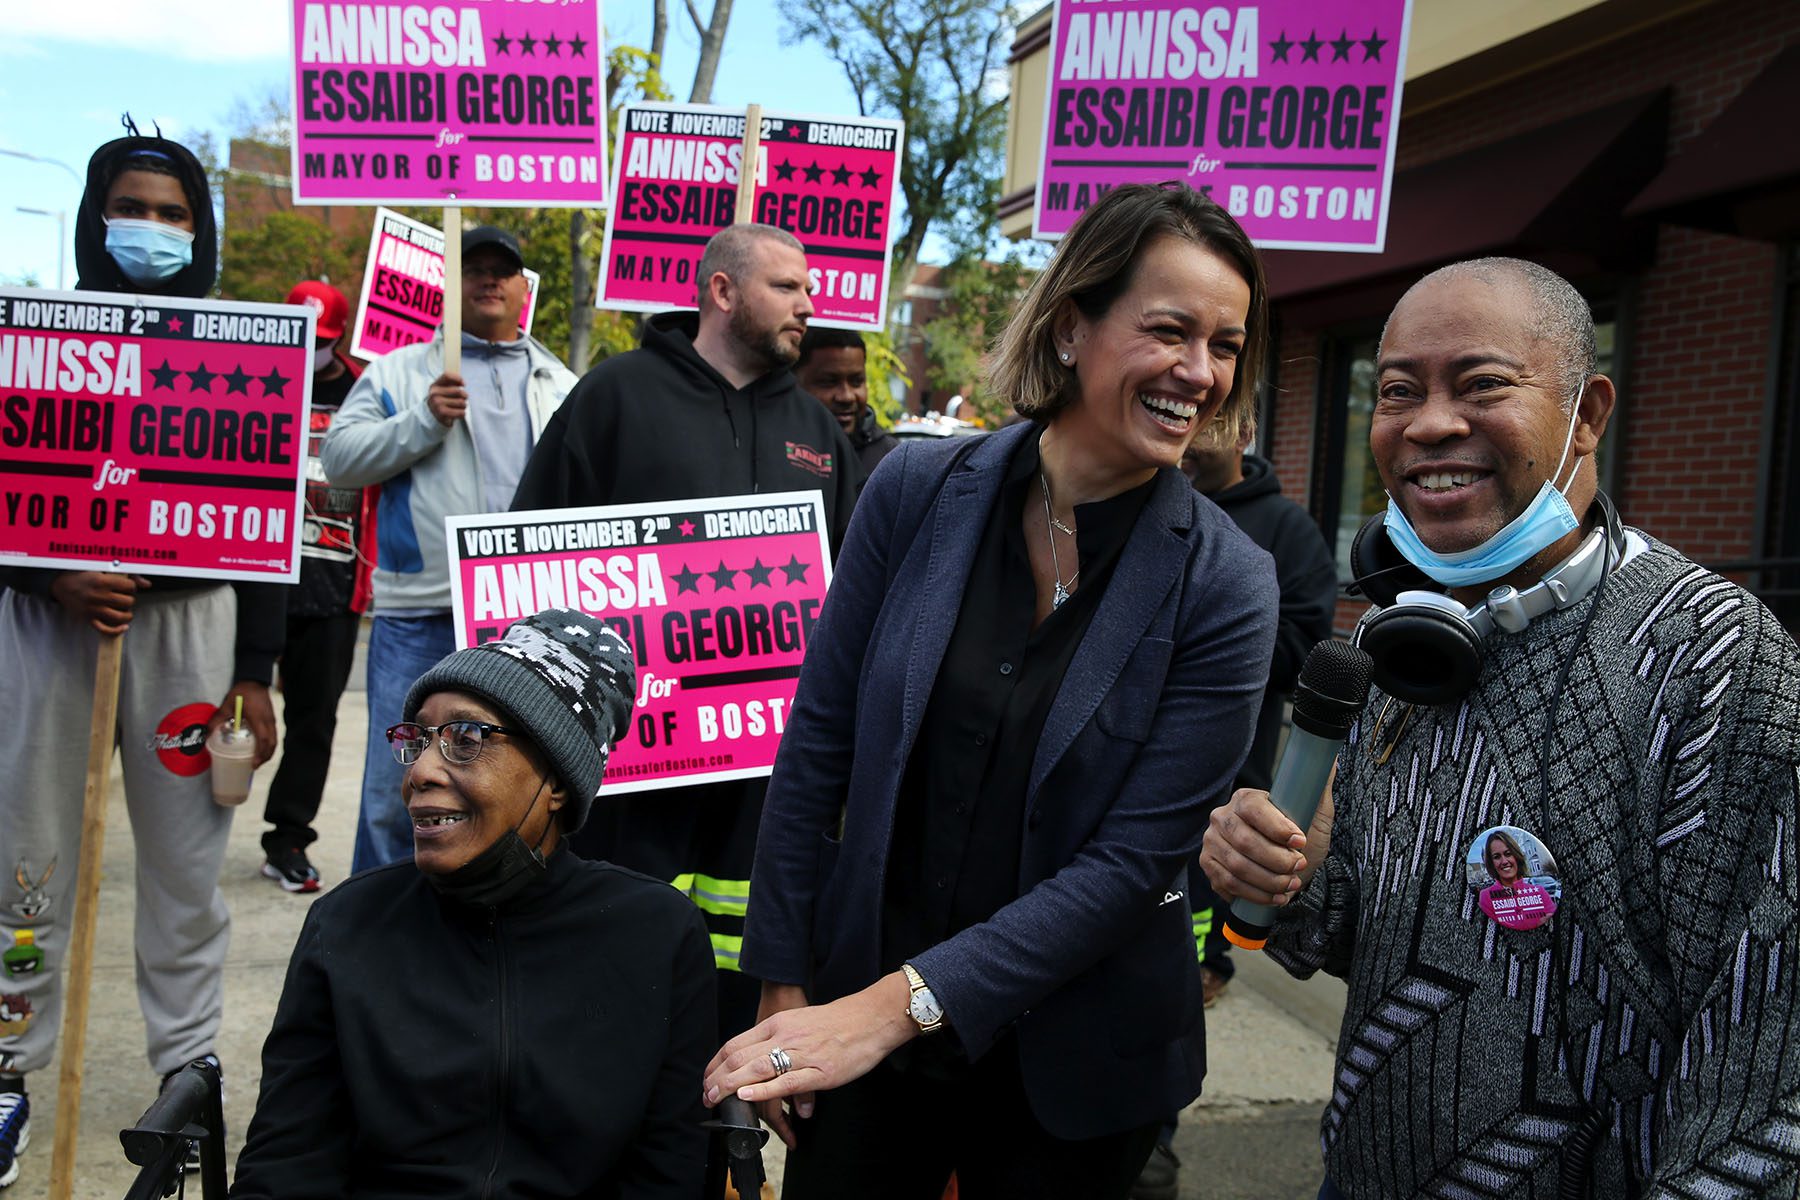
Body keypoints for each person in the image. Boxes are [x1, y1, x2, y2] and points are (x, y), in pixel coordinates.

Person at [704, 183, 1279, 1199]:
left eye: (1225, 345)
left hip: (1075, 1066)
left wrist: (889, 1008)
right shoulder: (915, 492)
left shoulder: (1228, 583)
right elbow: (821, 739)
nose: (1201, 372)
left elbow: (1131, 865)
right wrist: (784, 980)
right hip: (861, 1039)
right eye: (1170, 331)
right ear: (1071, 327)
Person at [1201, 258, 1800, 1197]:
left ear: (1588, 413)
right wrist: (1298, 878)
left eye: (1482, 384)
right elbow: (1373, 937)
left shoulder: (1714, 656)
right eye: (1397, 391)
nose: (1430, 422)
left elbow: (1771, 1054)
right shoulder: (1406, 642)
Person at [0, 127, 288, 1189]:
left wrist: (256, 668)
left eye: (174, 214)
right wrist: (46, 575)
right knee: (23, 867)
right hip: (47, 628)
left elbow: (269, 520)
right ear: (94, 213)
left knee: (185, 873)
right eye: (134, 207)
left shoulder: (238, 345)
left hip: (190, 632)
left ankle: (188, 1081)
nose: (153, 230)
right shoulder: (22, 336)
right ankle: (7, 1076)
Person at [229, 608, 716, 1198]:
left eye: (466, 740)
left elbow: (672, 1172)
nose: (421, 772)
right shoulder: (348, 925)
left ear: (557, 780)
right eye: (417, 740)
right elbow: (286, 1167)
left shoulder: (657, 934)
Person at [511, 223, 860, 1040]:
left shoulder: (815, 429)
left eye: (808, 289)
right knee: (615, 984)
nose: (808, 306)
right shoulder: (613, 396)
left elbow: (849, 590)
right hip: (635, 774)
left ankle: (724, 1157)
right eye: (788, 288)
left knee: (735, 987)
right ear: (722, 292)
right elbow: (529, 558)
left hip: (764, 787)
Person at [322, 225, 578, 873]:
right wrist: (422, 420)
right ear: (449, 289)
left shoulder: (563, 384)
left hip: (529, 620)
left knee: (514, 787)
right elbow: (340, 460)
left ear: (525, 289)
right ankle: (377, 949)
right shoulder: (400, 373)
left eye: (503, 270)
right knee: (397, 792)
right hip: (422, 614)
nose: (488, 280)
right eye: (474, 270)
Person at [1133, 411, 1338, 1200]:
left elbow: (1306, 650)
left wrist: (1208, 621)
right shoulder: (1144, 499)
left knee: (1159, 1020)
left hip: (1225, 797)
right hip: (1128, 801)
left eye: (1221, 409)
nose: (1197, 417)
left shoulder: (1287, 531)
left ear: (1247, 426)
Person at [258, 281, 377, 893]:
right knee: (208, 709)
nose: (312, 354)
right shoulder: (251, 380)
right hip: (252, 579)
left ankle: (287, 838)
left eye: (323, 342)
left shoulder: (365, 388)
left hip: (331, 587)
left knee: (314, 722)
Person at [795, 325, 896, 477]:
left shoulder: (891, 459)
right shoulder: (772, 448)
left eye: (856, 382)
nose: (847, 396)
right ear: (794, 382)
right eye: (829, 382)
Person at [1476, 830, 1555, 931]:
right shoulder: (1486, 897)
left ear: (1516, 856)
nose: (1504, 861)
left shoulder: (1540, 892)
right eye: (1497, 857)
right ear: (1491, 863)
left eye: (1508, 854)